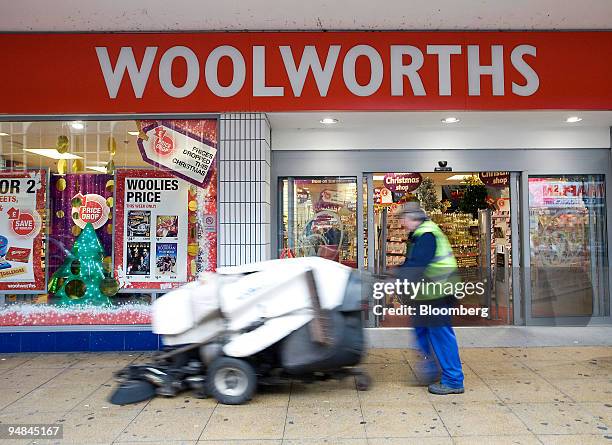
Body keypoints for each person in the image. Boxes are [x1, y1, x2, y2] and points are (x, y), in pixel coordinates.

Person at [392, 201, 465, 395]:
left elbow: (417, 266)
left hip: (439, 293)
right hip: (428, 293)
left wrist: (397, 277)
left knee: (440, 333)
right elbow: (412, 264)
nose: (402, 223)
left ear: (411, 218)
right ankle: (430, 369)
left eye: (403, 219)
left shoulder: (427, 235)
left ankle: (453, 379)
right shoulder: (419, 235)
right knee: (420, 328)